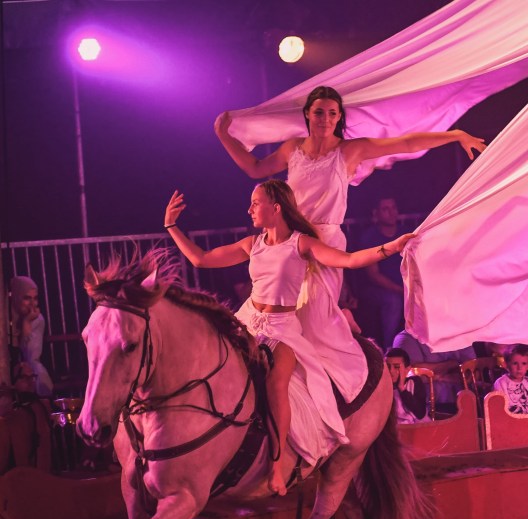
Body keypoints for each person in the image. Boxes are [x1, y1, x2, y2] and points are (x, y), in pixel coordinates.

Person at [215, 86, 485, 401]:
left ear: (339, 117)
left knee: (313, 320)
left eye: (332, 113)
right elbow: (255, 168)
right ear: (308, 114)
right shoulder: (293, 148)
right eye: (319, 112)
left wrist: (454, 135)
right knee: (282, 316)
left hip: (325, 242)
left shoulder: (349, 150)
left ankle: (338, 370)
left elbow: (406, 142)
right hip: (291, 240)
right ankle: (294, 373)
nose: (325, 118)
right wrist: (224, 135)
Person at [162, 180, 413, 495]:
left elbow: (348, 260)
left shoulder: (300, 244)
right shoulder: (252, 244)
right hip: (248, 322)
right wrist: (171, 226)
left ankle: (277, 464)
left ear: (276, 207)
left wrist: (392, 247)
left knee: (277, 381)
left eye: (256, 203)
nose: (249, 209)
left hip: (281, 329)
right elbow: (201, 259)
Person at [350, 198, 411, 347]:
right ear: (376, 213)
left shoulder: (404, 233)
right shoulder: (370, 237)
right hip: (377, 289)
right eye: (385, 209)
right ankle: (390, 349)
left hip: (404, 284)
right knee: (393, 301)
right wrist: (401, 290)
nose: (391, 212)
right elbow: (374, 275)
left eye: (393, 207)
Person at [8, 275, 53, 397]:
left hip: (26, 370)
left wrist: (27, 323)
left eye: (35, 298)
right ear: (16, 297)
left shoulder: (36, 319)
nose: (32, 304)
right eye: (27, 298)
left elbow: (30, 356)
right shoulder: (4, 319)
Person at [384, 348, 431, 424]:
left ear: (407, 369)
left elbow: (420, 414)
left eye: (396, 367)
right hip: (395, 427)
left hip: (417, 426)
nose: (391, 371)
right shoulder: (382, 385)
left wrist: (402, 389)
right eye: (388, 366)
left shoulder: (414, 382)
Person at [492, 344, 528, 414]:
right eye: (515, 363)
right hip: (509, 419)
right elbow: (498, 410)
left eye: (523, 363)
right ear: (506, 365)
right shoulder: (500, 383)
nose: (519, 368)